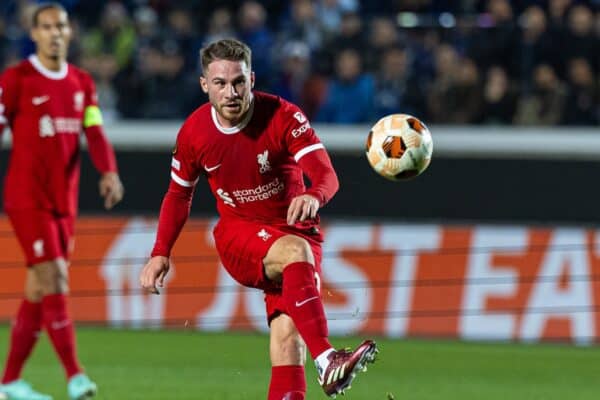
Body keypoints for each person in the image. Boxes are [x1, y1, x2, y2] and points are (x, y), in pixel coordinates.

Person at [139, 38, 378, 399]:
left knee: (288, 340)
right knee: (294, 251)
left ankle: (316, 364)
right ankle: (328, 359)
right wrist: (160, 251)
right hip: (240, 233)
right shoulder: (194, 133)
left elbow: (327, 175)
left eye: (238, 82)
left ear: (251, 78)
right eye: (220, 83)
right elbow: (178, 194)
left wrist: (314, 195)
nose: (231, 92)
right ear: (205, 85)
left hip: (296, 232)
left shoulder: (283, 115)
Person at [0, 3, 124, 400]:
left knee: (39, 287)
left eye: (61, 26)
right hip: (26, 198)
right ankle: (76, 376)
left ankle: (9, 383)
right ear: (34, 34)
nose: (55, 33)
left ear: (69, 33)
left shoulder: (82, 83)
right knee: (56, 276)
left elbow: (95, 130)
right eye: (47, 27)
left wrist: (108, 171)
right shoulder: (16, 79)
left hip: (63, 202)